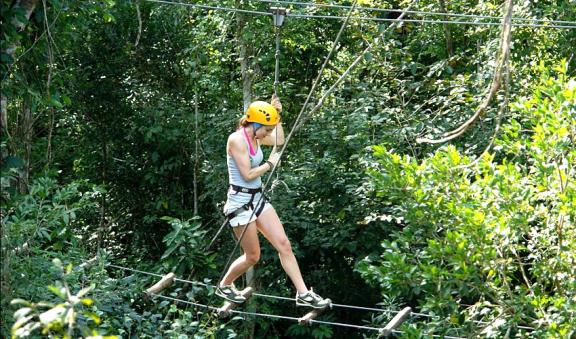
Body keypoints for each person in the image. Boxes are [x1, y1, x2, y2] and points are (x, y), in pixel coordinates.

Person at [216, 95, 330, 309]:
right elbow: (248, 174)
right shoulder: (236, 139)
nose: (267, 134)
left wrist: (278, 117)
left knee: (284, 244)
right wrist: (270, 163)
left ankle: (303, 293)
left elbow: (278, 140)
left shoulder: (256, 136)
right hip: (239, 202)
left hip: (257, 198)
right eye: (266, 130)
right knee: (252, 256)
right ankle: (225, 285)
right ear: (256, 124)